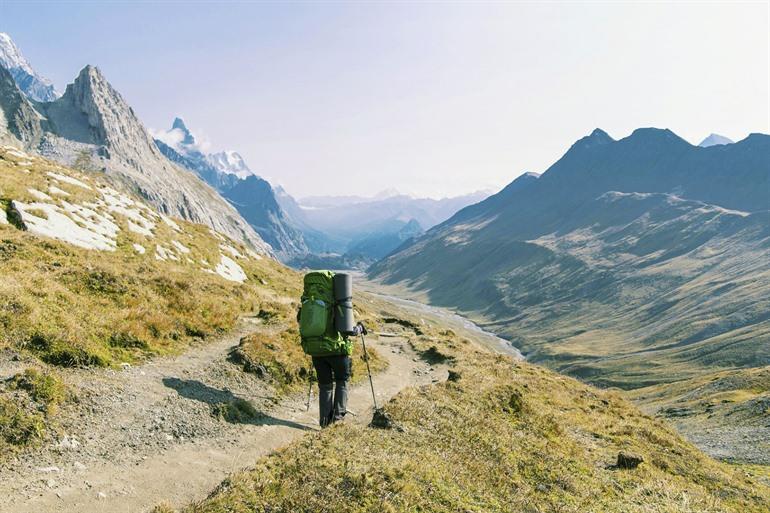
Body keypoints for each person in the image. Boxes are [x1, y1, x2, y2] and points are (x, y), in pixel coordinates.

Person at [309, 321, 366, 427]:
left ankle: (325, 423)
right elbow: (349, 330)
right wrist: (359, 328)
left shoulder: (310, 303)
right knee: (342, 382)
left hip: (317, 351)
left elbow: (301, 321)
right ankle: (337, 420)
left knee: (325, 386)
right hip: (337, 352)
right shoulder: (340, 304)